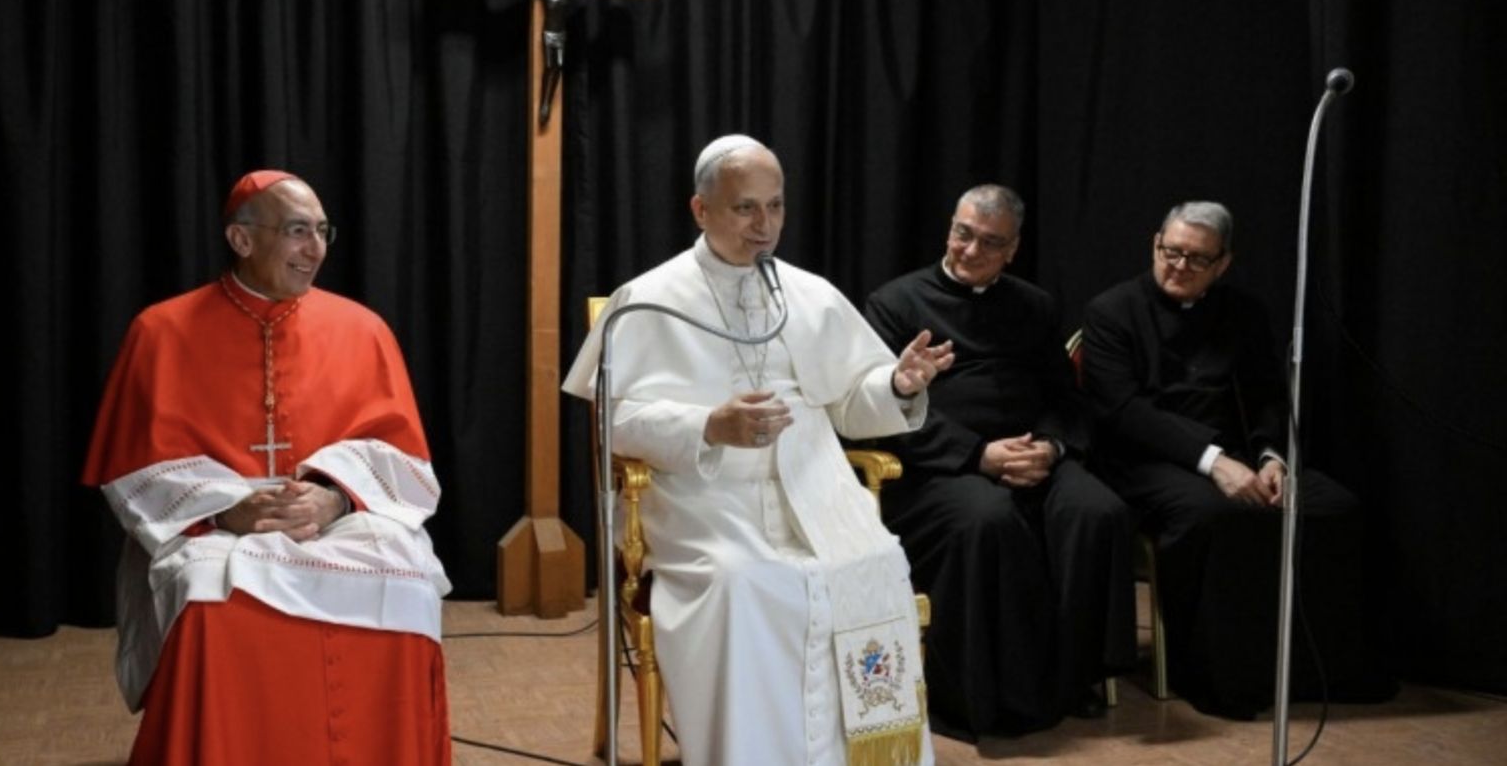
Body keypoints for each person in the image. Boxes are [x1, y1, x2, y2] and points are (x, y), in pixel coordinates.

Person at [564, 134, 953, 766]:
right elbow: (614, 420)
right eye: (746, 208)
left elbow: (852, 400)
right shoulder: (647, 300)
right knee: (744, 585)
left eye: (775, 207)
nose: (764, 225)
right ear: (701, 210)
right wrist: (708, 426)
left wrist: (897, 384)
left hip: (813, 490)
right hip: (703, 503)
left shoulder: (809, 294)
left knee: (876, 562)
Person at [82, 170, 453, 765]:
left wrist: (333, 494)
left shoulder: (364, 330)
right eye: (298, 231)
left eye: (323, 231)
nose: (316, 249)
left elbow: (402, 456)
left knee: (408, 582)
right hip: (215, 523)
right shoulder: (161, 331)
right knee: (209, 603)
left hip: (337, 512)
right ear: (242, 239)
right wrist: (229, 507)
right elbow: (136, 469)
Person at [1082, 200, 1394, 718]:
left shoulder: (1243, 313)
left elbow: (1267, 393)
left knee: (1335, 507)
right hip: (1146, 461)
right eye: (1171, 251)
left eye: (1196, 259)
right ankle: (1214, 673)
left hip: (1244, 457)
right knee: (1216, 516)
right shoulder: (1111, 311)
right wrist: (1214, 462)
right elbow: (1123, 410)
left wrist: (1274, 457)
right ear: (1155, 243)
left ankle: (1310, 670)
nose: (1178, 266)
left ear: (1223, 263)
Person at [860, 185, 1137, 739]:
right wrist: (976, 455)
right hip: (935, 468)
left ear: (1011, 251)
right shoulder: (894, 303)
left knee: (1098, 511)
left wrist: (1051, 448)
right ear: (949, 228)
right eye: (963, 233)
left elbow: (1066, 398)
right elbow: (877, 407)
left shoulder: (1034, 305)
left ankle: (1072, 678)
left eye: (990, 242)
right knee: (988, 520)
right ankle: (981, 696)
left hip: (1031, 455)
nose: (970, 250)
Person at [474, 0, 627, 124]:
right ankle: (544, 102)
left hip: (561, 32)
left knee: (559, 67)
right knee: (549, 67)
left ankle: (548, 100)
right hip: (549, 32)